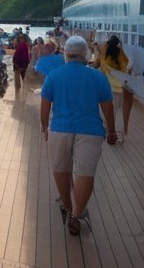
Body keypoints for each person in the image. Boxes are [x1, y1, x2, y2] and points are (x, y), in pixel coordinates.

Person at [40, 36, 117, 236]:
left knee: (61, 169)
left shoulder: (54, 76)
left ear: (66, 54)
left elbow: (45, 106)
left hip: (60, 128)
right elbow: (107, 107)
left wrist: (44, 127)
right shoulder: (98, 77)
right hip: (90, 131)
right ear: (85, 55)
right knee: (85, 173)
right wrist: (111, 131)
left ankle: (66, 205)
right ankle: (76, 214)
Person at [97, 35, 135, 142]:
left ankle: (110, 133)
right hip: (124, 87)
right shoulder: (122, 55)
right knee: (122, 113)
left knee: (109, 112)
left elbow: (102, 72)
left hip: (110, 88)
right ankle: (121, 135)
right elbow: (127, 66)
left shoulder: (105, 57)